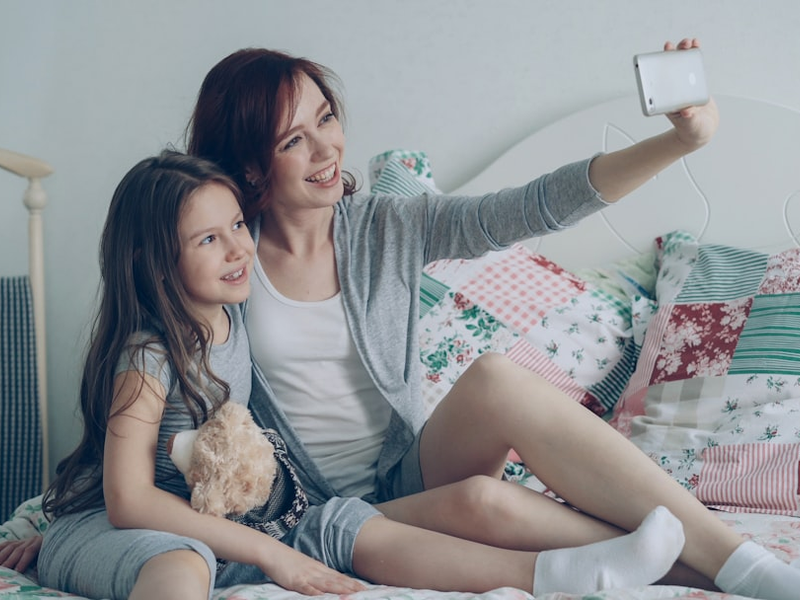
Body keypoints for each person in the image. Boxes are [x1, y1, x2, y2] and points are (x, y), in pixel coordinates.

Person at [181, 39, 800, 600]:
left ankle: (739, 559)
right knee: (486, 500)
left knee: (498, 379)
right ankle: (711, 573)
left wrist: (682, 142)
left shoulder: (384, 226)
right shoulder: (225, 260)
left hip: (405, 478)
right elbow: (156, 376)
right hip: (315, 514)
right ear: (253, 166)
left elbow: (534, 208)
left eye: (327, 118)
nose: (325, 149)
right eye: (293, 140)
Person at [16, 150, 688, 600]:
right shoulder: (147, 357)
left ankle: (557, 576)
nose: (239, 248)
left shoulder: (236, 318)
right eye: (208, 240)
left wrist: (275, 539)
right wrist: (272, 558)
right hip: (142, 527)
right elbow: (129, 500)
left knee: (345, 526)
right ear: (155, 261)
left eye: (235, 228)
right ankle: (64, 550)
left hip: (244, 520)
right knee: (182, 568)